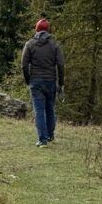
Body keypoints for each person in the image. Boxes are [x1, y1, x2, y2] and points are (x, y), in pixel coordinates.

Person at [22, 18, 65, 147]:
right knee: (50, 108)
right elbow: (61, 64)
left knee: (39, 111)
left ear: (36, 29)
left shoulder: (29, 44)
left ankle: (42, 140)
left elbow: (23, 65)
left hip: (35, 81)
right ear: (47, 30)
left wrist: (28, 80)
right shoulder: (55, 44)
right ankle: (50, 135)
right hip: (50, 81)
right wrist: (60, 83)